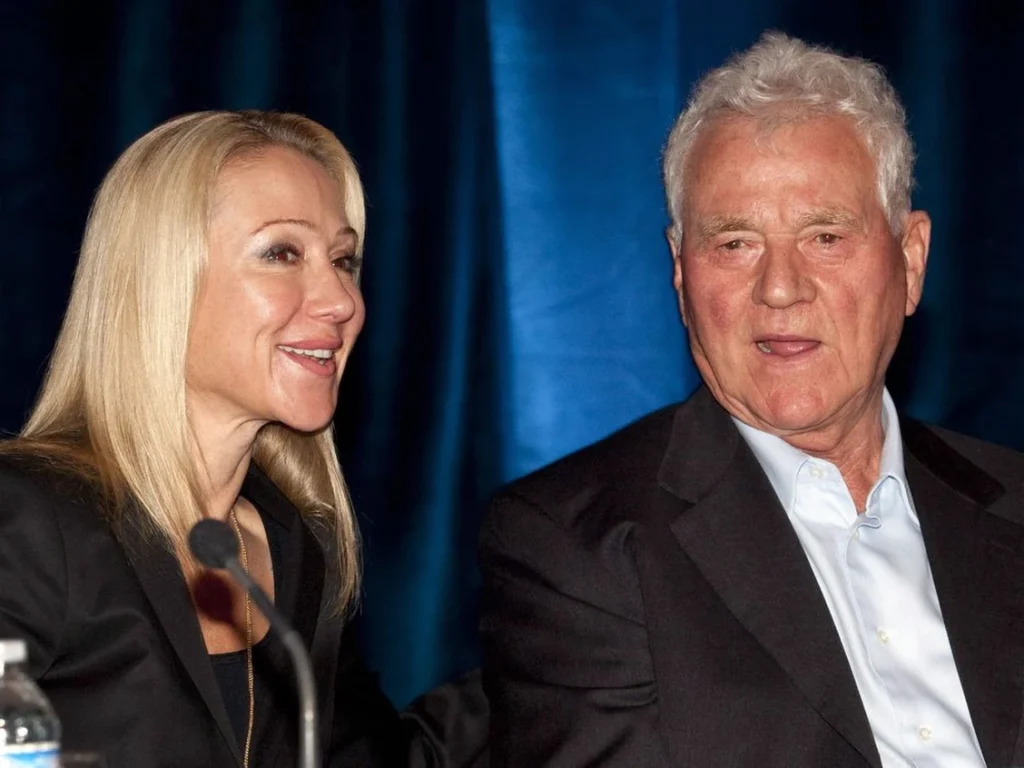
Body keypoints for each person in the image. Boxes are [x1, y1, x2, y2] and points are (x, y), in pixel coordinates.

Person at [479, 32, 1024, 767]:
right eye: (734, 243)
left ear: (911, 260)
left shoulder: (1012, 502)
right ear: (679, 272)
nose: (779, 287)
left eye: (825, 236)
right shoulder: (579, 545)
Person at [0, 110, 413, 766]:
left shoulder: (299, 548)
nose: (342, 300)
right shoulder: (26, 521)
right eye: (283, 253)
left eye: (344, 259)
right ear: (163, 282)